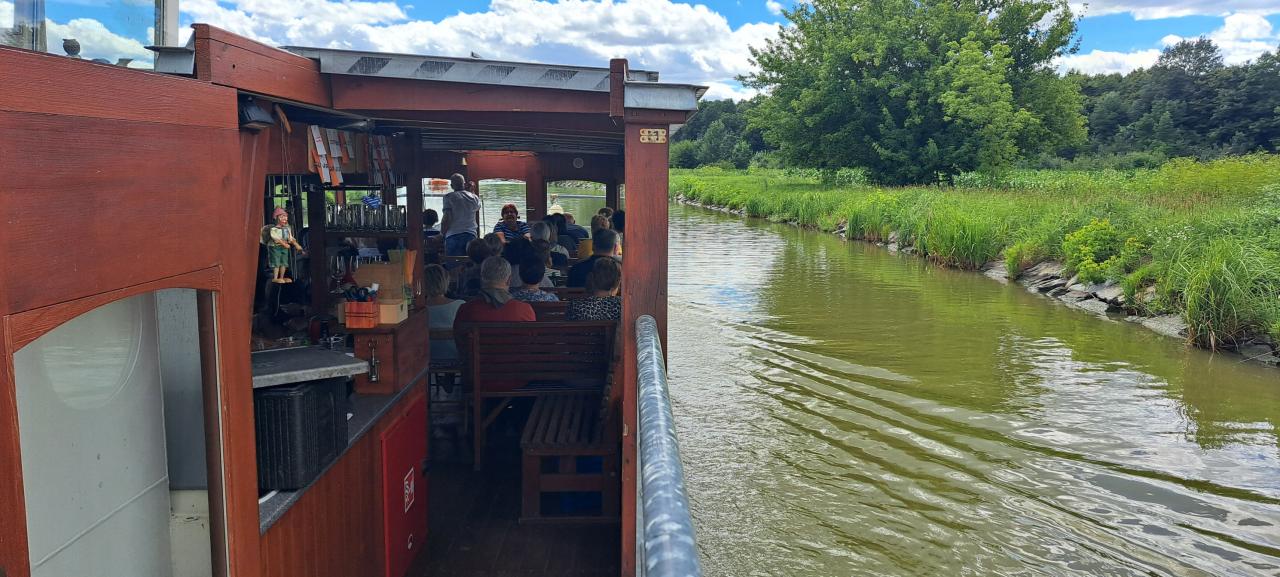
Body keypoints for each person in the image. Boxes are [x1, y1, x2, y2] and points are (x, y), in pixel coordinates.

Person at [453, 257, 536, 326]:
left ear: (482, 278)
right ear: (509, 280)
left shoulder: (466, 310)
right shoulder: (525, 310)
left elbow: (459, 337)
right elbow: (531, 338)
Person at [424, 264, 463, 364]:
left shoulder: (418, 311)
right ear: (446, 281)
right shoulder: (460, 306)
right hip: (456, 358)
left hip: (427, 360)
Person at [441, 173, 480, 256]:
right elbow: (477, 207)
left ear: (452, 186)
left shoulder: (448, 197)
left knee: (453, 263)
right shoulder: (474, 198)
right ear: (464, 184)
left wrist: (442, 234)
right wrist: (472, 191)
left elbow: (447, 218)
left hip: (453, 235)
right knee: (470, 262)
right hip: (471, 235)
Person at [264, 207, 305, 283]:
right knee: (276, 262)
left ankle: (282, 277)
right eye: (282, 217)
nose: (285, 219)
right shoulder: (273, 229)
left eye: (285, 217)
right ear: (277, 218)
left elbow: (290, 238)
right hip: (275, 248)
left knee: (284, 262)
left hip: (284, 248)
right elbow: (275, 238)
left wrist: (296, 245)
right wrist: (284, 244)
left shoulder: (287, 229)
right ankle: (275, 277)